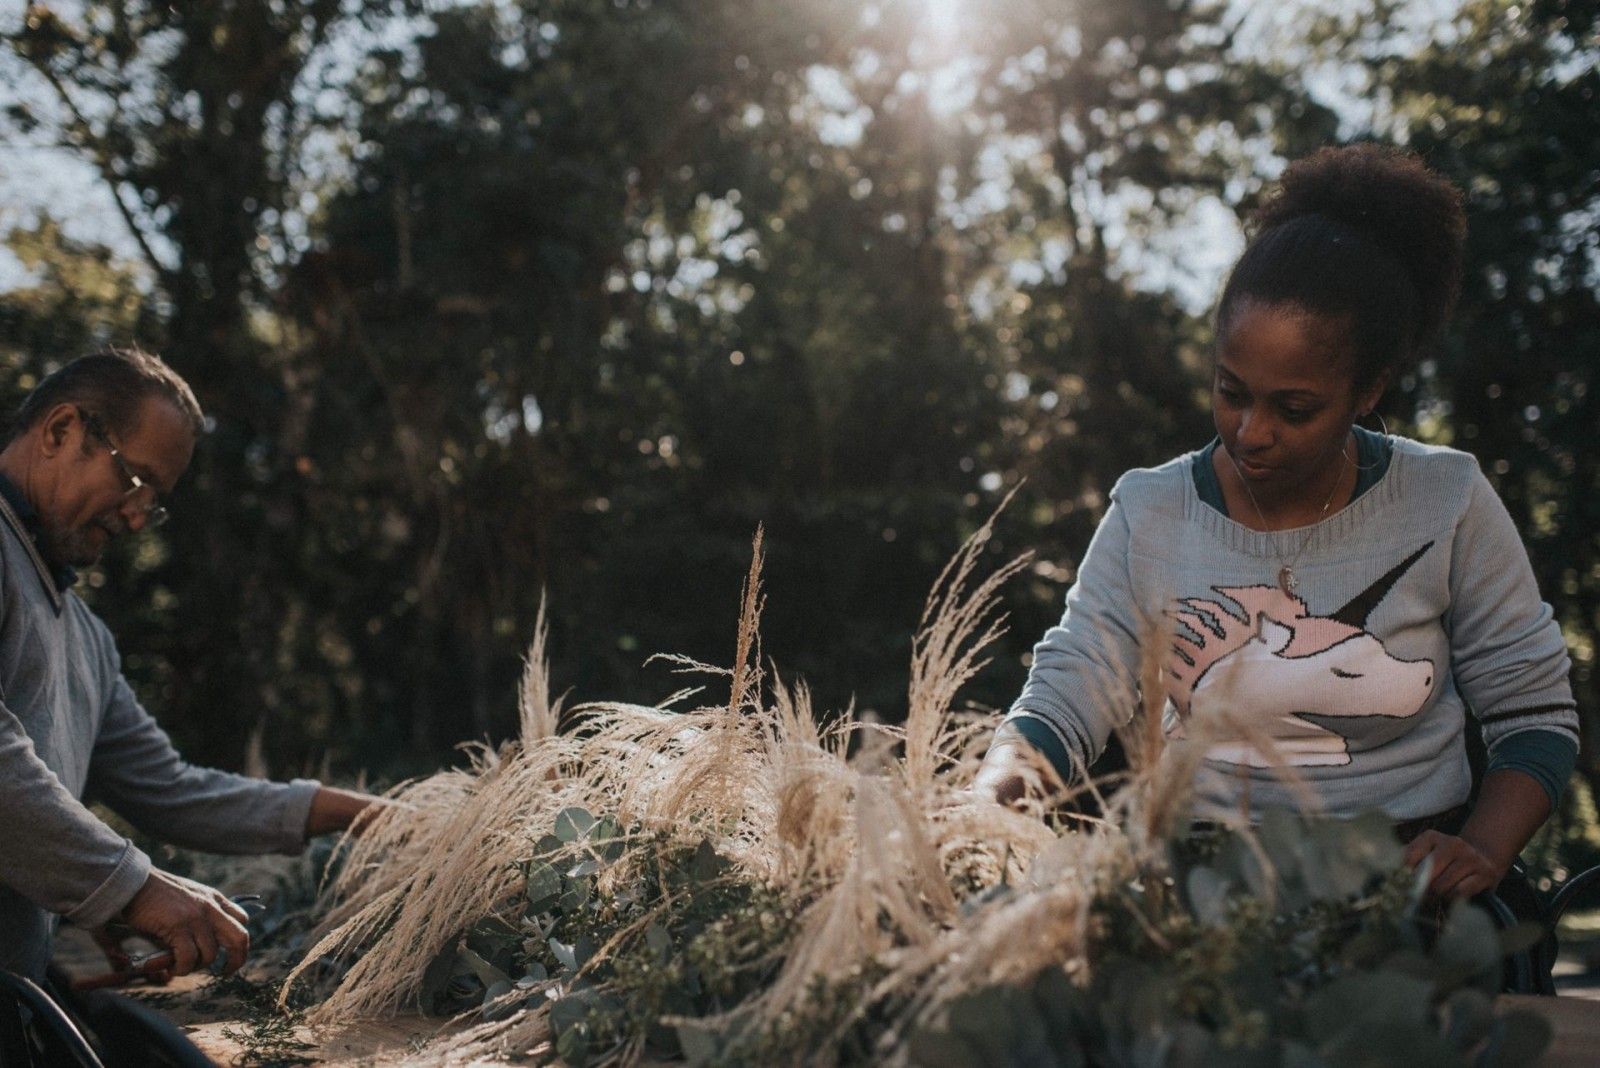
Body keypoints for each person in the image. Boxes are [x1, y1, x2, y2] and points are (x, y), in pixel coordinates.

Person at [975, 145, 1579, 902]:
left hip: (1406, 890)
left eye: (1294, 409)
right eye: (1231, 391)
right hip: (1199, 890)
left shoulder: (1446, 498)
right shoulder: (1149, 511)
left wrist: (1480, 849)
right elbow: (1070, 690)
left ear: (1368, 390)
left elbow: (1534, 712)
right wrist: (992, 794)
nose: (1250, 432)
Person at [0, 346, 383, 981]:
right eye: (134, 480)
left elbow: (173, 792)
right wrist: (130, 887)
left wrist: (370, 816)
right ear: (61, 430)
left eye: (154, 501)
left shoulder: (88, 639)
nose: (136, 517)